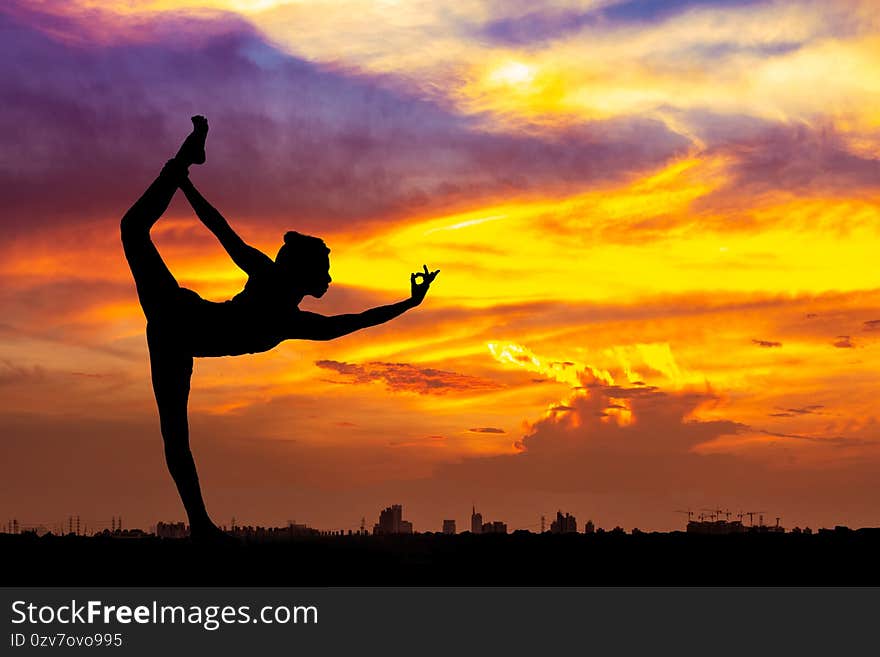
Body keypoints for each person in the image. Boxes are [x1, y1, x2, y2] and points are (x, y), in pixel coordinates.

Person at [120, 116, 439, 542]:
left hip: (178, 333)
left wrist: (410, 302)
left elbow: (356, 322)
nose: (329, 278)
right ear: (304, 274)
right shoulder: (271, 283)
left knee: (177, 439)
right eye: (323, 270)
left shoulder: (295, 321)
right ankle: (182, 161)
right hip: (175, 319)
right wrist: (185, 184)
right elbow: (221, 230)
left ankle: (201, 527)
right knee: (132, 229)